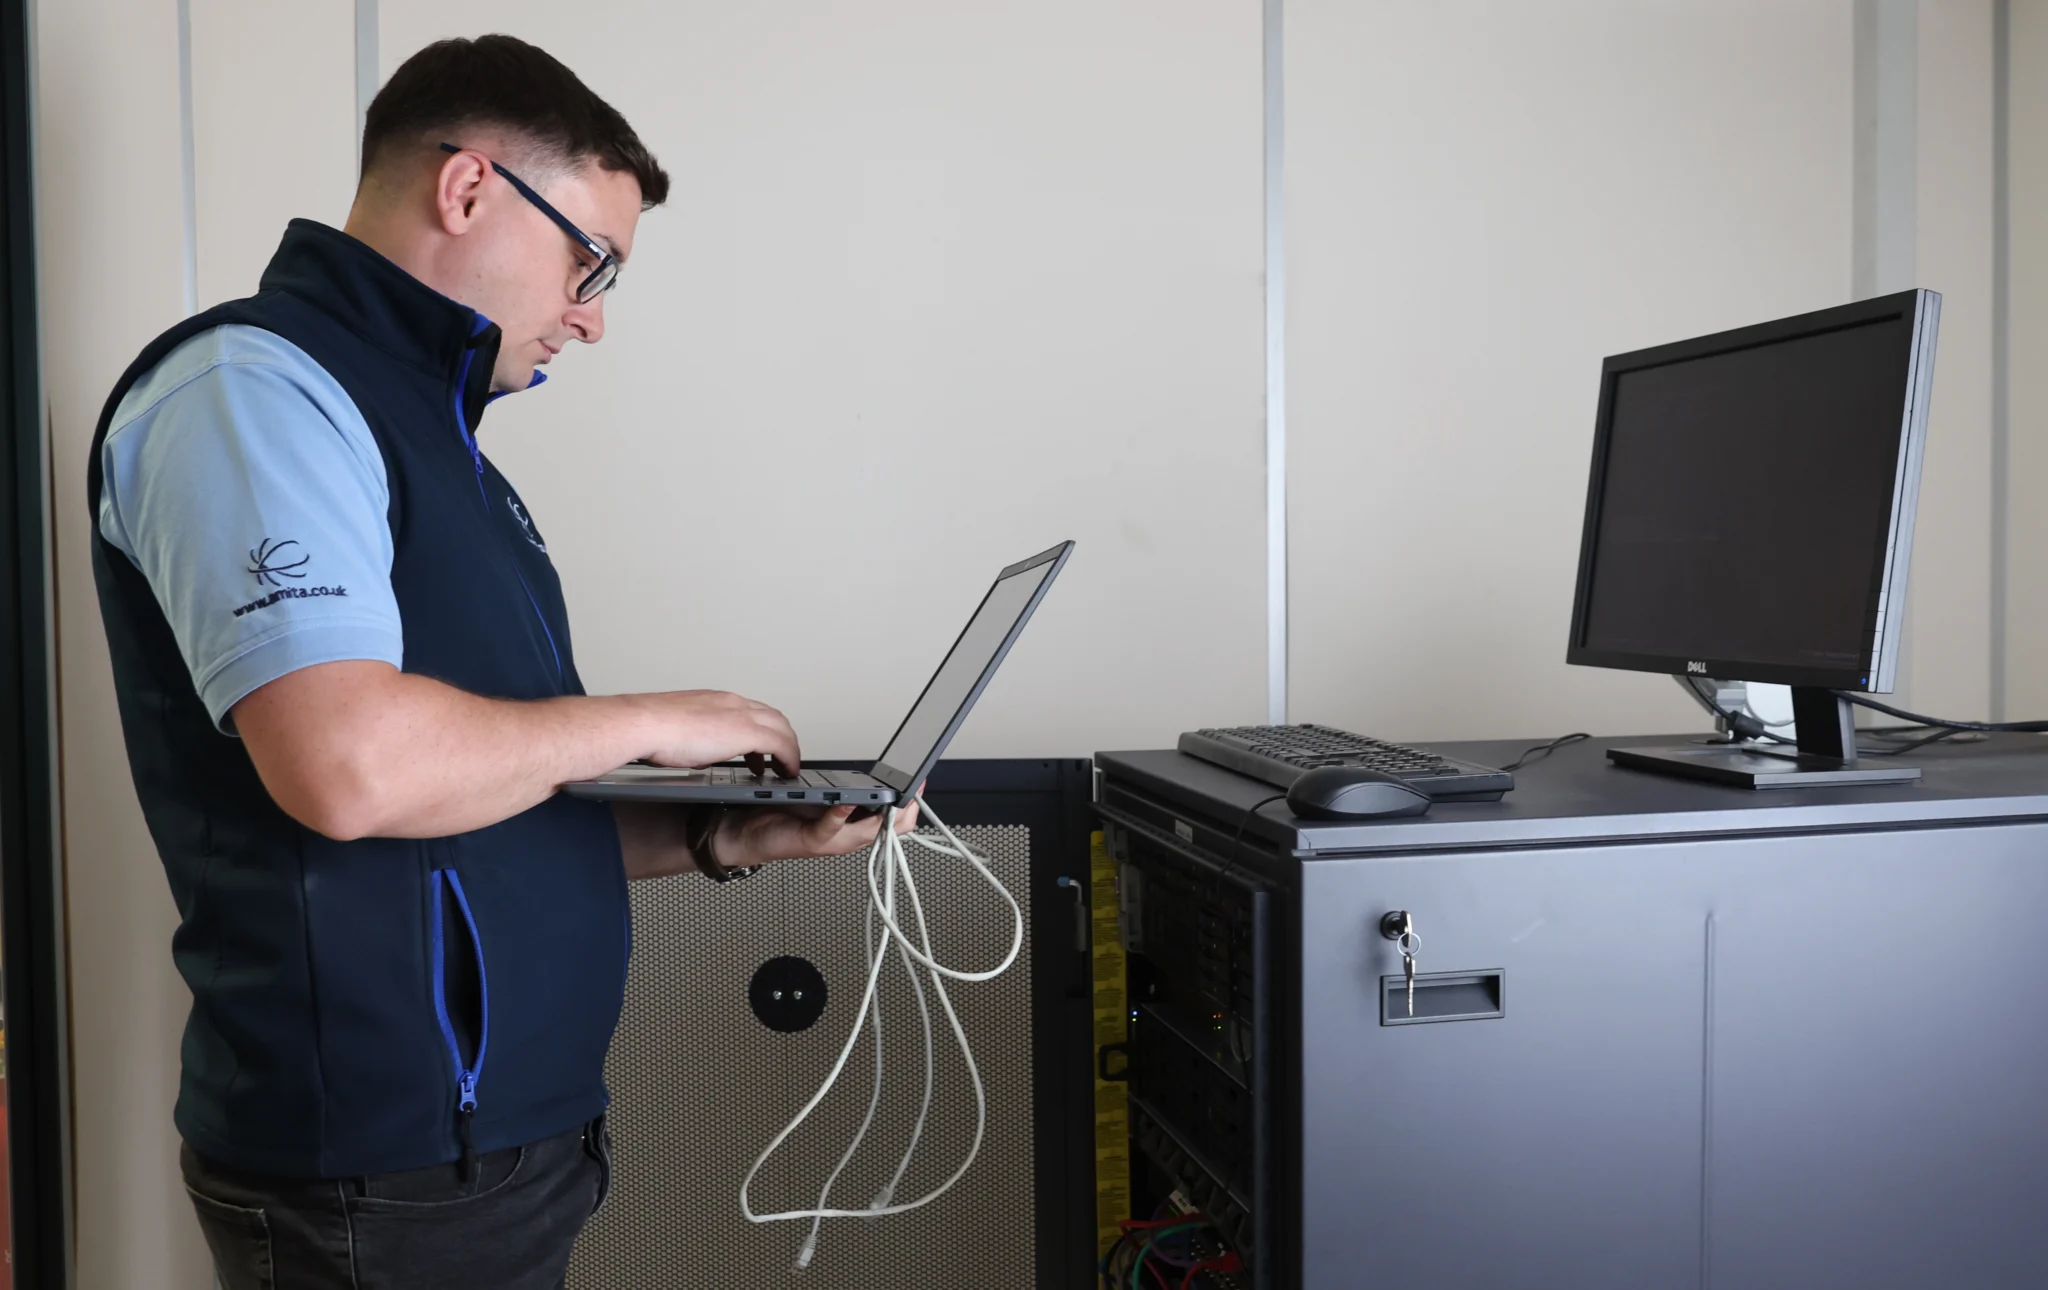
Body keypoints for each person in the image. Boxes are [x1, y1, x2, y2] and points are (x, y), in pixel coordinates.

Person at [85, 33, 911, 1289]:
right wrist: (648, 720)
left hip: (499, 1149)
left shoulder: (443, 447)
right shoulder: (253, 393)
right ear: (469, 189)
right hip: (384, 1170)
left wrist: (715, 838)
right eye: (591, 263)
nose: (588, 317)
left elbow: (480, 801)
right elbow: (349, 770)